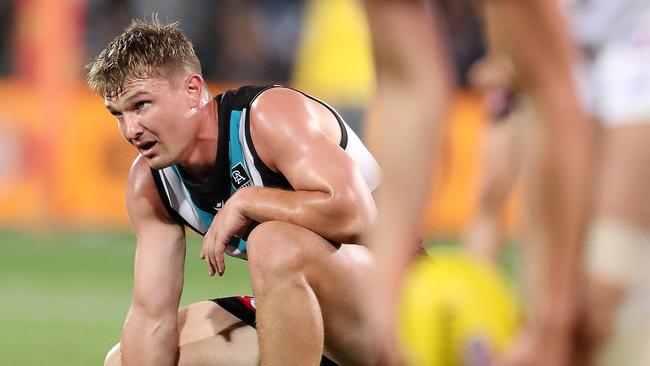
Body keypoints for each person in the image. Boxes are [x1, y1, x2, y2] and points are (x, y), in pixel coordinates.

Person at [86, 18, 382, 366]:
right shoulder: (150, 183)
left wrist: (248, 201)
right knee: (124, 359)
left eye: (141, 105)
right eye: (118, 115)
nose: (131, 129)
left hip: (397, 311)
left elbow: (359, 216)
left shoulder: (267, 117)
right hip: (312, 325)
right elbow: (152, 318)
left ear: (193, 91)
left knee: (273, 242)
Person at [362, 0, 594, 365]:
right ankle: (483, 299)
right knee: (490, 193)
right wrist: (383, 286)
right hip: (533, 87)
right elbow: (405, 85)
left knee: (596, 312)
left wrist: (553, 318)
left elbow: (557, 91)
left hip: (608, 68)